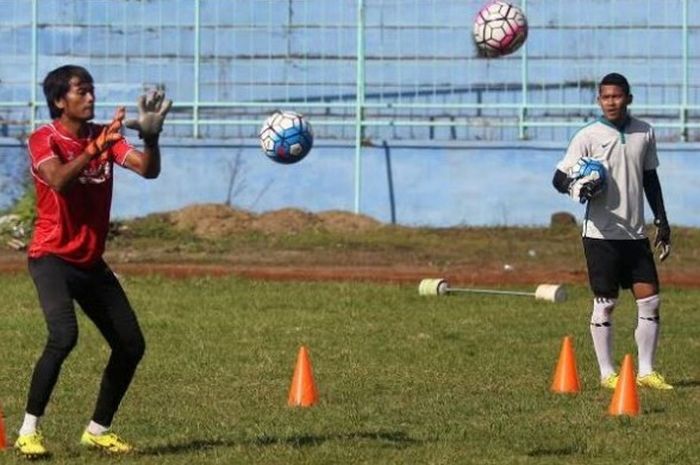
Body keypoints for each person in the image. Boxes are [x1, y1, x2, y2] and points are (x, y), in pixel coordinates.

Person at [14, 65, 172, 458]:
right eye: (81, 91)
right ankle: (28, 431)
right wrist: (93, 149)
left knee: (131, 345)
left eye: (91, 90)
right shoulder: (43, 139)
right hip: (51, 257)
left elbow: (146, 170)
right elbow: (59, 181)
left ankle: (98, 431)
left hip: (90, 261)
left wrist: (151, 139)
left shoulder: (103, 137)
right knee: (63, 336)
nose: (90, 97)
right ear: (58, 101)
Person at [552, 72, 673, 391]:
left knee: (651, 301)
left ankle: (646, 370)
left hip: (635, 234)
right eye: (605, 97)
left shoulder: (644, 132)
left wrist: (661, 219)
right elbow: (559, 177)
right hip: (600, 236)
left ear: (628, 98)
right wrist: (577, 186)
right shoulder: (587, 136)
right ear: (598, 100)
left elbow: (650, 178)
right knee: (605, 302)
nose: (611, 102)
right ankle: (608, 374)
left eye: (617, 96)